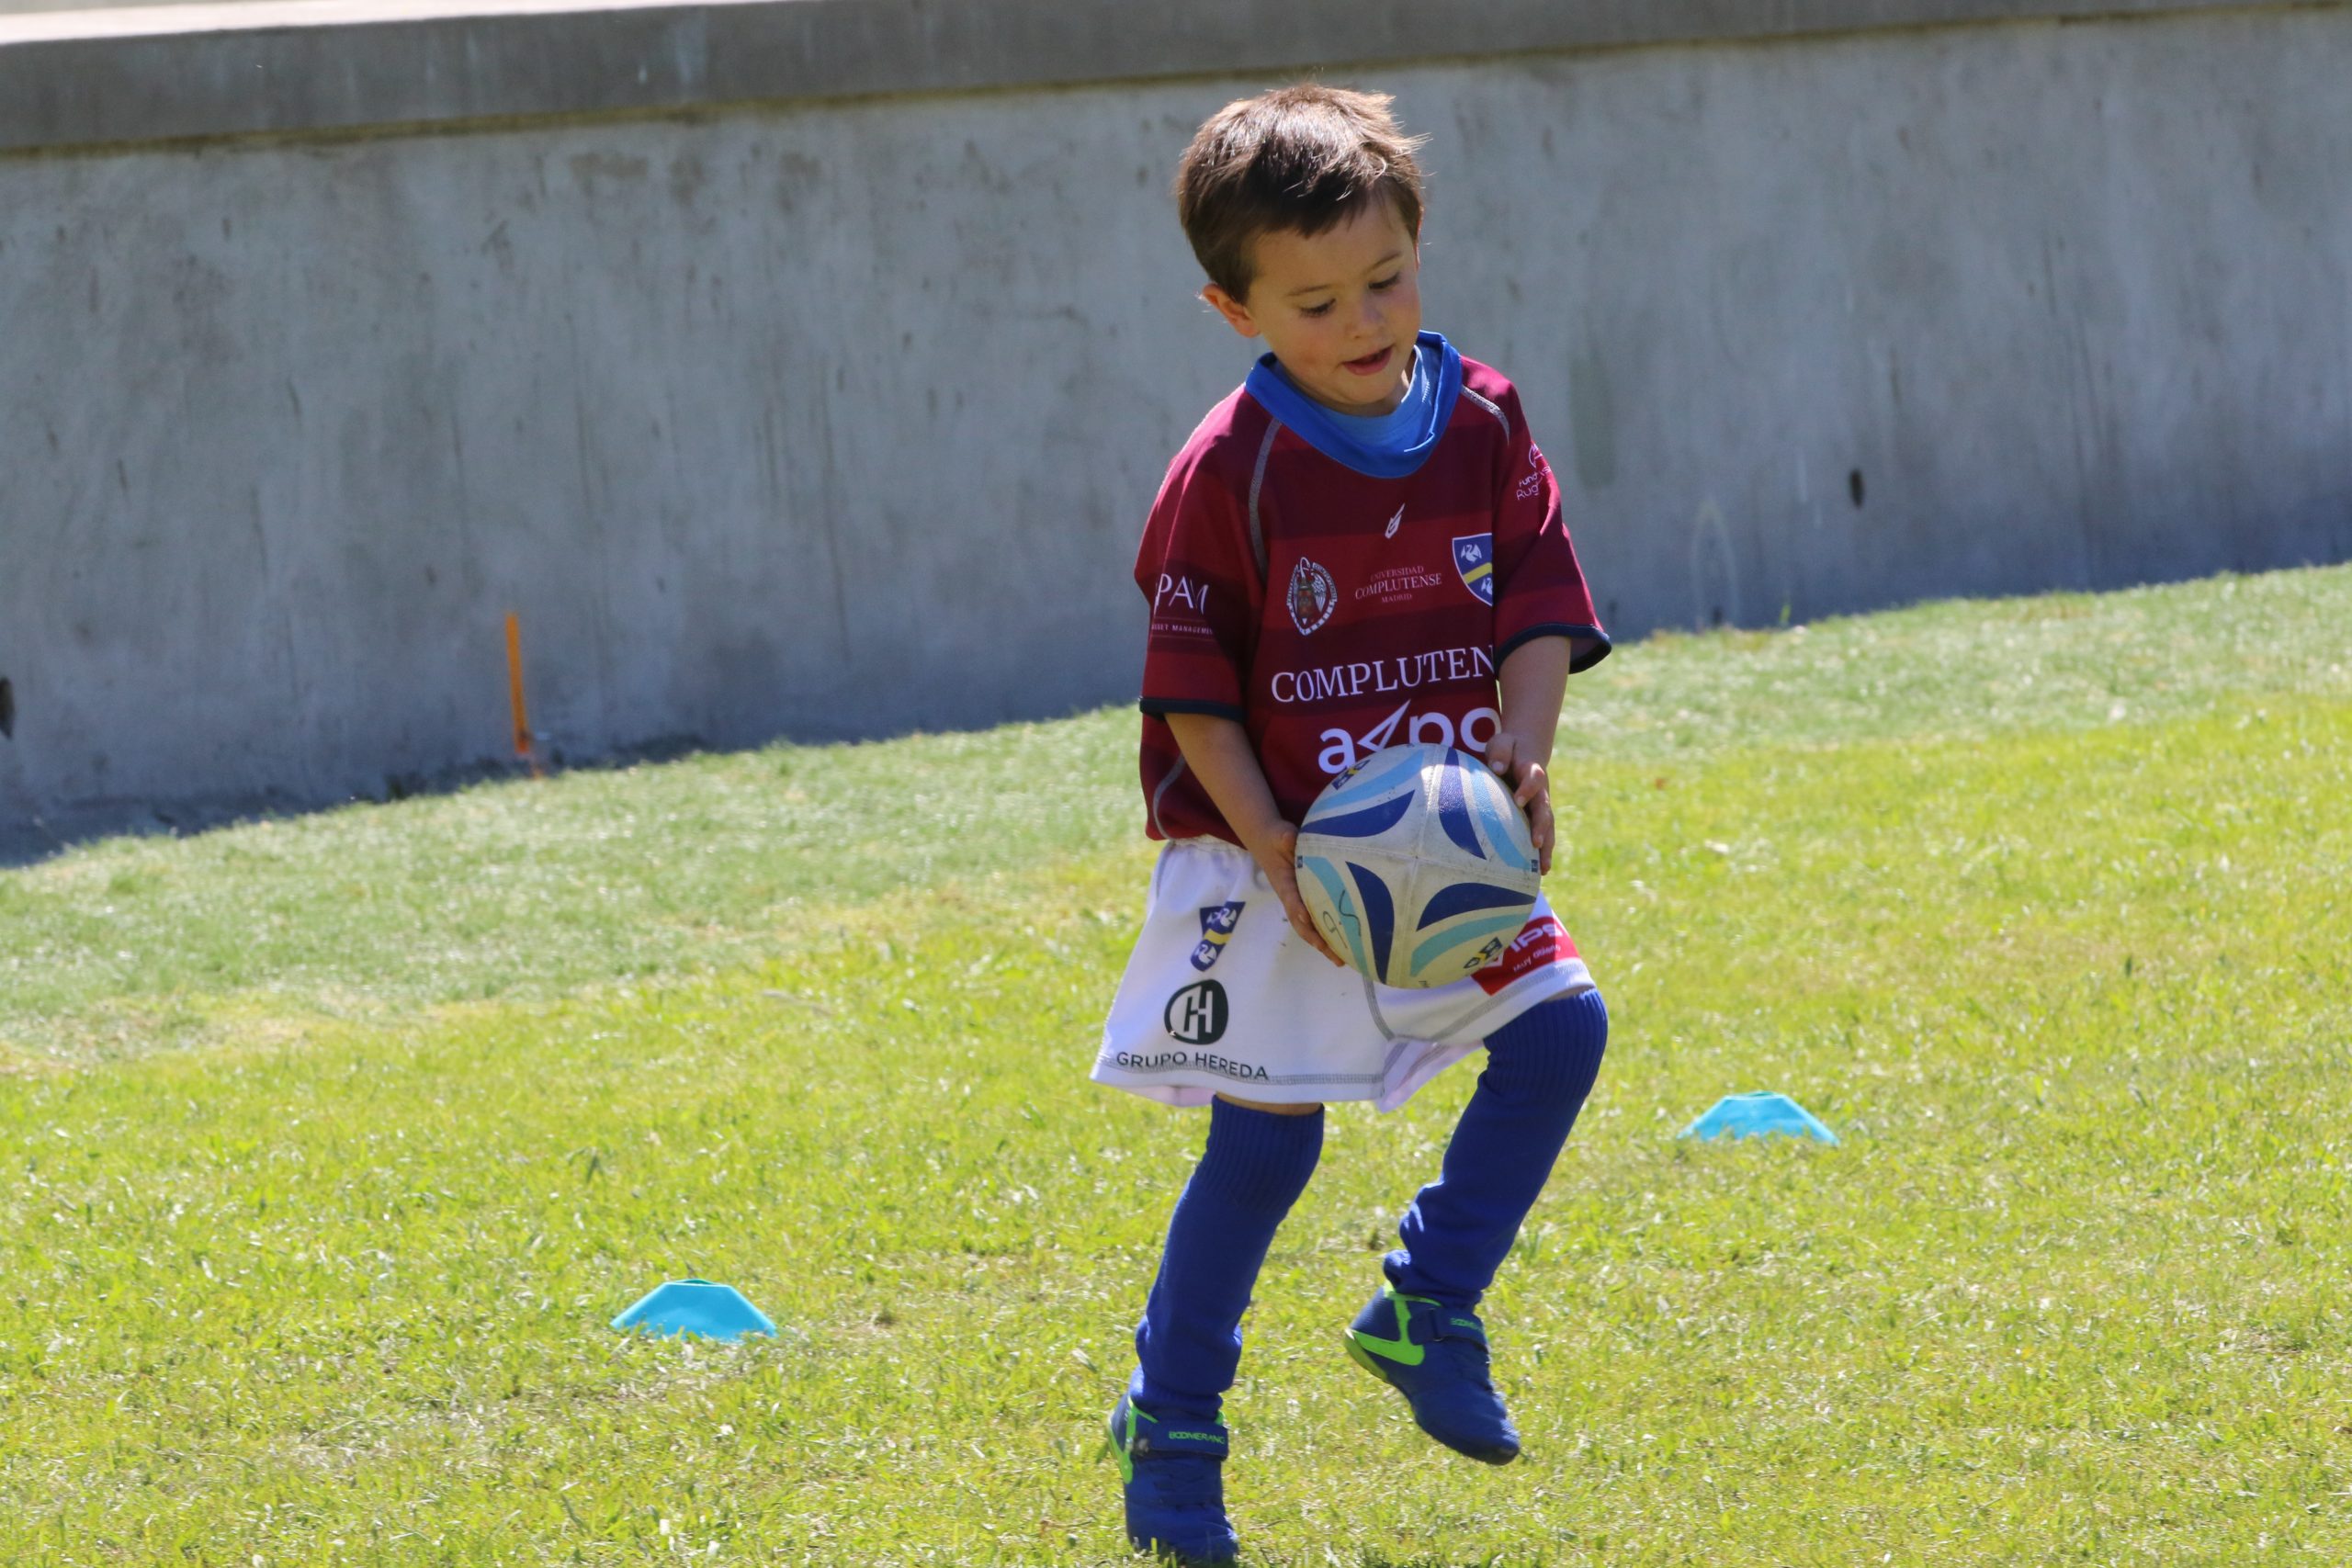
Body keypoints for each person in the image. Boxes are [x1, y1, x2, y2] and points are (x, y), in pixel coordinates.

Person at [1091, 84, 1616, 1564]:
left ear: (1418, 247)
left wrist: (1525, 749)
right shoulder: (1228, 470)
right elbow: (1192, 692)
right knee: (1267, 1154)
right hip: (1271, 851)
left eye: (1386, 279)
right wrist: (1273, 847)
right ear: (1235, 310)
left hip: (1443, 843)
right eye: (1316, 304)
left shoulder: (1483, 418)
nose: (1362, 320)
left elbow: (1536, 603)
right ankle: (1172, 1430)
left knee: (1562, 1035)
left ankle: (1426, 1304)